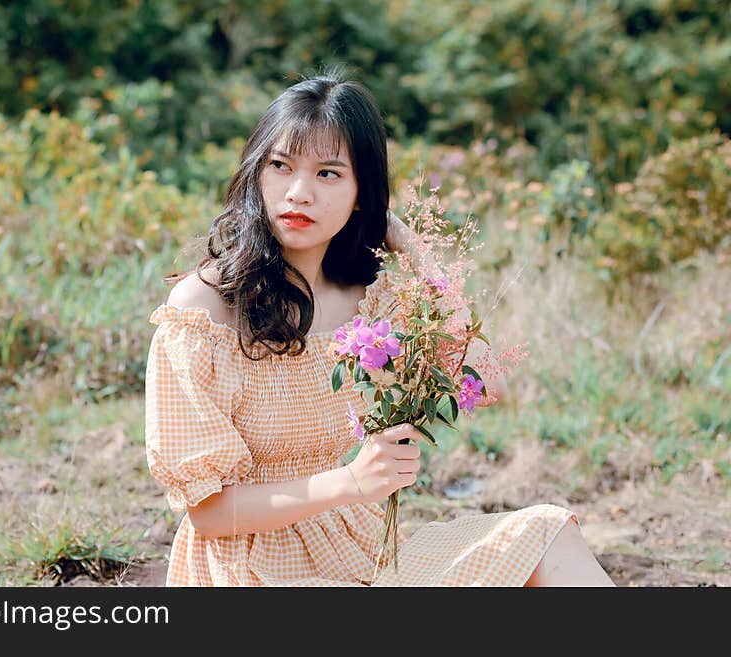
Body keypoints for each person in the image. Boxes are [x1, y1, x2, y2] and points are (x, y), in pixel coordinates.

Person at [144, 69, 615, 586]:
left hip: (359, 549)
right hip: (249, 568)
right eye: (281, 166)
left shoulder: (369, 301)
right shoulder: (203, 309)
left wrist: (413, 251)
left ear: (362, 193)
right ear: (257, 173)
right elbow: (208, 513)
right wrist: (350, 481)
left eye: (328, 174)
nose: (298, 193)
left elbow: (485, 382)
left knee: (548, 534)